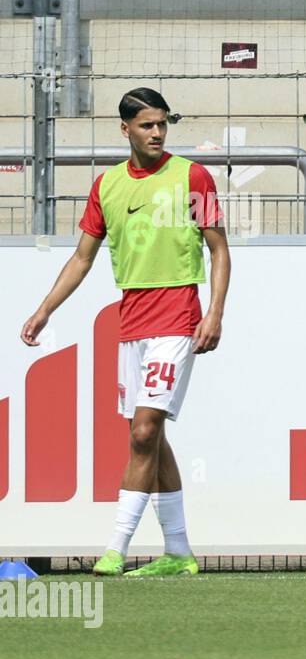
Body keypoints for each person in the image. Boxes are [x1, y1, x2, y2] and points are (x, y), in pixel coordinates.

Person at [20, 87, 231, 577]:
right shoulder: (108, 186)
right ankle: (178, 553)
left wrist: (214, 312)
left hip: (178, 315)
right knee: (150, 438)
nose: (157, 134)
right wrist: (45, 309)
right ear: (126, 129)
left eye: (162, 125)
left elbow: (219, 249)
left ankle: (115, 548)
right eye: (147, 126)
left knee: (142, 432)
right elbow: (81, 258)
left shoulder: (191, 176)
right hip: (131, 321)